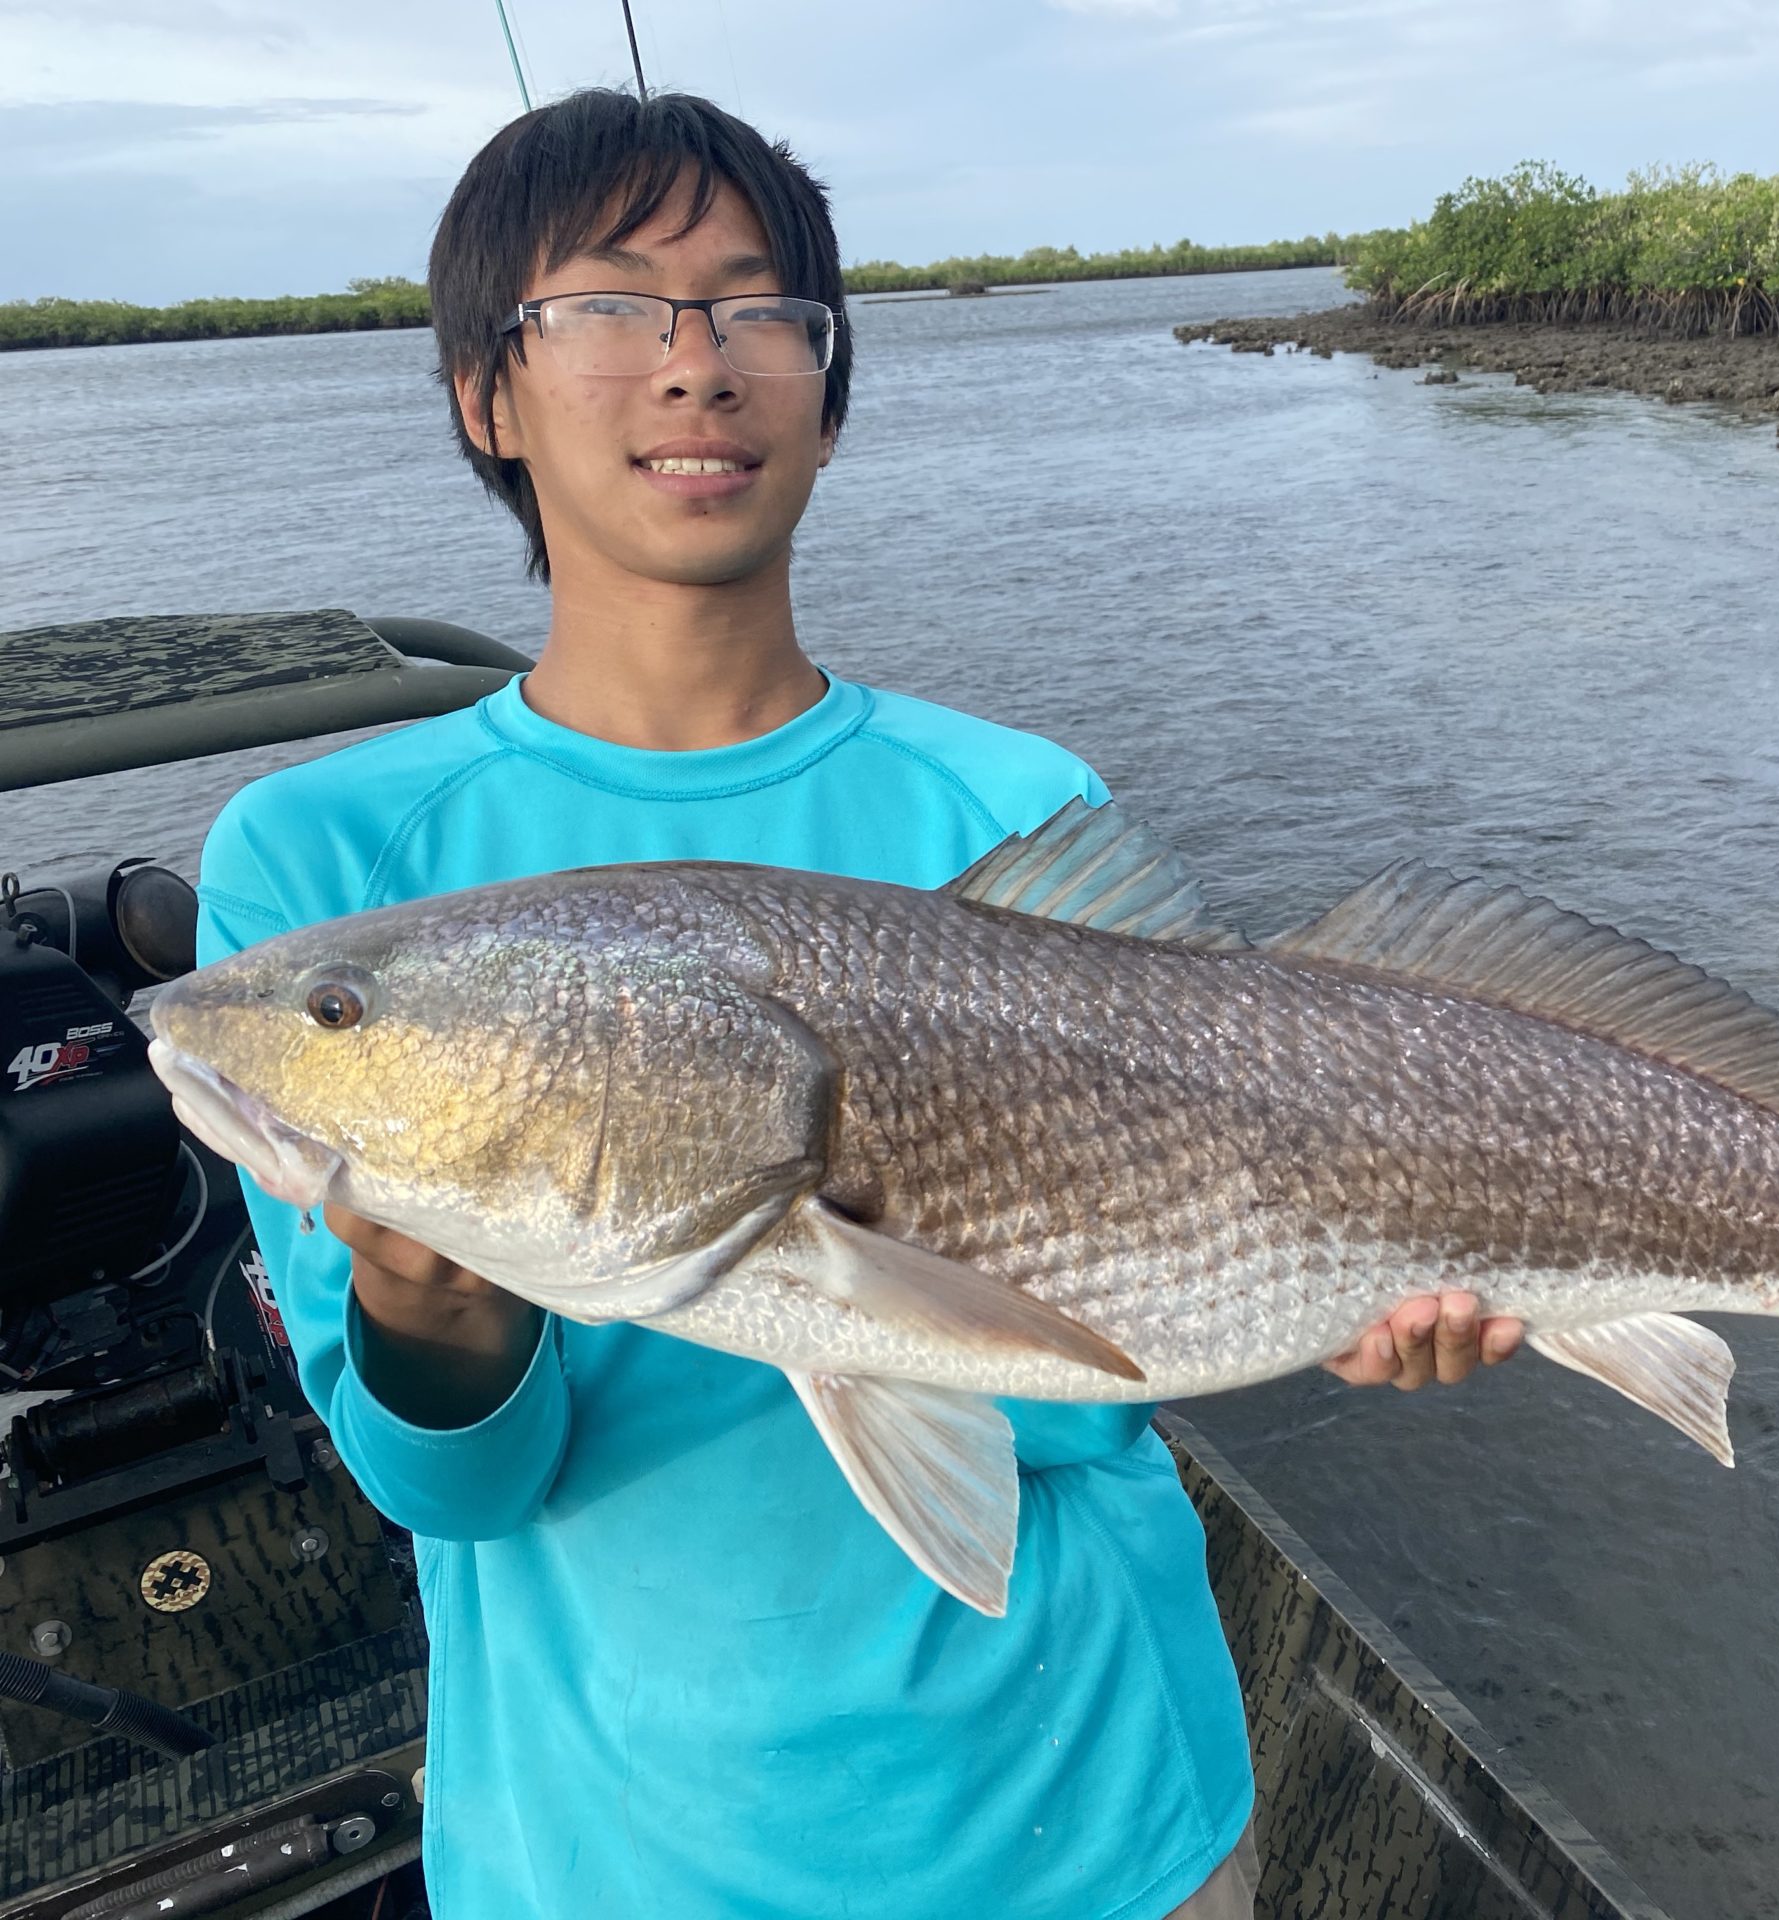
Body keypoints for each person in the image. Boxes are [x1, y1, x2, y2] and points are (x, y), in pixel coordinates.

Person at [193, 89, 1523, 1920]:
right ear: (484, 394)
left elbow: (1080, 1405)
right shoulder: (328, 868)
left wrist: (1337, 1296)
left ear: (827, 385)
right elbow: (460, 1490)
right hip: (615, 1857)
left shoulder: (1011, 805)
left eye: (757, 308)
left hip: (1103, 1816)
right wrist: (433, 1305)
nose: (696, 367)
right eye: (608, 306)